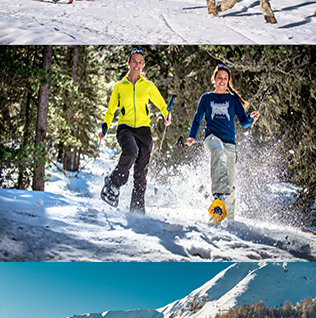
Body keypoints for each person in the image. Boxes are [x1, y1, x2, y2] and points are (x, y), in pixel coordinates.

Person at [99, 49, 171, 213]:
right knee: (131, 151)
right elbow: (111, 111)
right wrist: (105, 125)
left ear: (143, 65)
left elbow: (161, 104)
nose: (137, 65)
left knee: (141, 172)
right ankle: (114, 183)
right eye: (134, 61)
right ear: (128, 63)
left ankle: (137, 210)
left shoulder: (148, 86)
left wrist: (167, 114)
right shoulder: (120, 86)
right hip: (125, 128)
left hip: (144, 131)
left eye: (140, 62)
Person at [186, 63, 259, 221]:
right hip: (211, 138)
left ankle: (227, 218)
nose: (222, 80)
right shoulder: (206, 98)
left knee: (231, 183)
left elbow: (243, 122)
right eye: (219, 77)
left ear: (228, 81)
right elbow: (197, 119)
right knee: (217, 151)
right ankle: (219, 196)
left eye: (225, 78)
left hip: (230, 143)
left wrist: (251, 118)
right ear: (214, 79)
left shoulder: (233, 100)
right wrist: (192, 136)